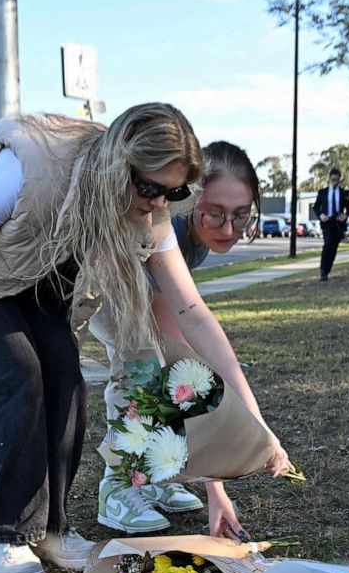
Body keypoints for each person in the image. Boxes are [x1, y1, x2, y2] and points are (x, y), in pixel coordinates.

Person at [0, 104, 290, 573]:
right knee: (18, 372)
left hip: (30, 263)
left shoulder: (148, 211)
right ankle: (3, 531)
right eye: (149, 189)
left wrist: (258, 429)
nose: (158, 204)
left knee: (65, 377)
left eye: (173, 192)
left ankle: (50, 527)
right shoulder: (29, 172)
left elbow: (193, 314)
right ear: (118, 166)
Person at [91, 140, 262, 538]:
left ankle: (154, 479)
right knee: (144, 375)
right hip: (99, 290)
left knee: (158, 374)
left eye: (241, 216)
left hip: (131, 292)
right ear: (189, 196)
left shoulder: (195, 237)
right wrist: (215, 485)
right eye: (215, 214)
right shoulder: (168, 228)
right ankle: (117, 488)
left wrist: (256, 424)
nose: (228, 229)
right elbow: (180, 362)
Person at [313, 167, 349, 281]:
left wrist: (345, 215)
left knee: (334, 247)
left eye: (337, 180)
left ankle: (327, 270)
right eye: (333, 179)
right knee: (328, 243)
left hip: (338, 223)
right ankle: (322, 270)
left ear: (339, 179)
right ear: (330, 178)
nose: (334, 182)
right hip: (327, 222)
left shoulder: (344, 192)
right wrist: (321, 216)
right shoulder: (323, 192)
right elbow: (316, 207)